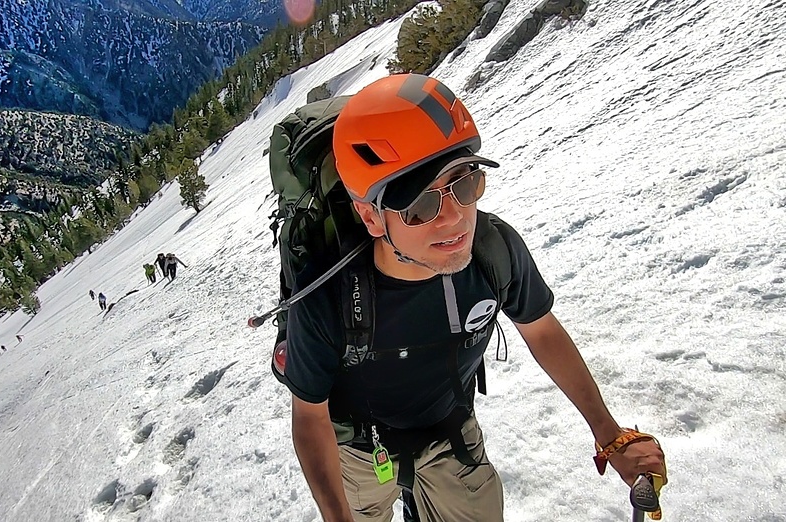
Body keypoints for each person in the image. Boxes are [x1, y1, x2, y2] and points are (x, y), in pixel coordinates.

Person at [281, 74, 666, 522]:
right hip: (358, 453)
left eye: (464, 184)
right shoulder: (325, 297)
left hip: (451, 431)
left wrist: (609, 433)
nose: (454, 218)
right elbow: (310, 418)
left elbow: (541, 331)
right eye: (420, 204)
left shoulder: (493, 249)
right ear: (370, 216)